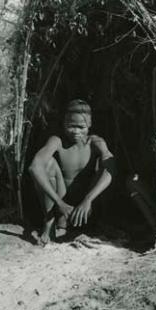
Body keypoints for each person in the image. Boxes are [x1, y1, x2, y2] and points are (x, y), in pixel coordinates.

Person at [28, 99, 115, 243]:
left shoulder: (95, 142)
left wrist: (88, 199)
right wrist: (59, 203)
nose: (76, 131)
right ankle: (49, 225)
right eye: (71, 126)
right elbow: (35, 167)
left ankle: (101, 223)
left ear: (89, 124)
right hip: (62, 209)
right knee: (48, 164)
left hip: (87, 209)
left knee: (105, 165)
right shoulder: (57, 141)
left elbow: (111, 167)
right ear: (64, 124)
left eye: (81, 127)